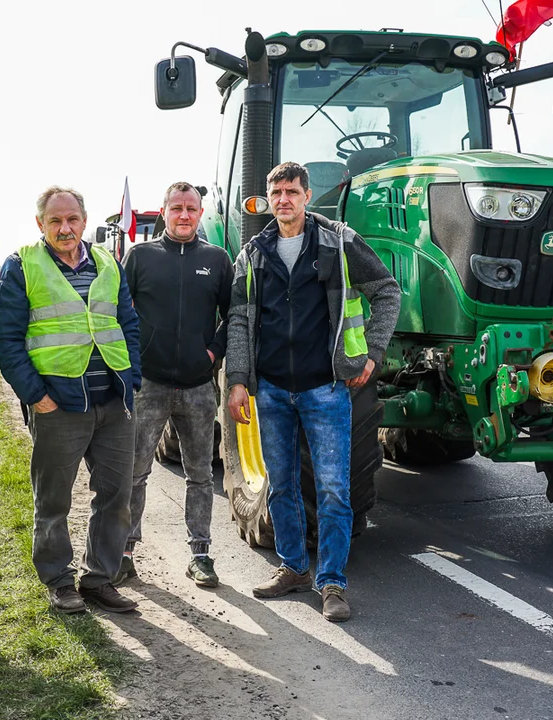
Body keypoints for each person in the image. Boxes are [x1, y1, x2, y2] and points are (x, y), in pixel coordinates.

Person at [225, 162, 401, 622]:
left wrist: (372, 354)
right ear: (268, 199)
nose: (283, 199)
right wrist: (238, 381)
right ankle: (293, 568)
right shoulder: (253, 254)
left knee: (334, 490)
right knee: (281, 486)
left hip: (326, 388)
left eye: (292, 191)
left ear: (307, 196)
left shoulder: (338, 242)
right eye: (276, 192)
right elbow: (241, 321)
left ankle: (332, 583)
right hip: (273, 392)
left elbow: (386, 289)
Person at [0, 186, 141, 614]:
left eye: (72, 219)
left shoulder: (109, 263)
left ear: (84, 219)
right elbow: (7, 338)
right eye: (55, 221)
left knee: (116, 496)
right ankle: (59, 580)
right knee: (53, 500)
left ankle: (99, 578)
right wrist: (36, 397)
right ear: (40, 224)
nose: (65, 228)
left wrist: (134, 379)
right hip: (58, 405)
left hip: (114, 402)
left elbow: (127, 323)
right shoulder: (23, 265)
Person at [117, 181, 232, 588]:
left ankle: (200, 554)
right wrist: (133, 362)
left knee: (200, 475)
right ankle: (125, 551)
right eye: (177, 208)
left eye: (191, 209)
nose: (184, 215)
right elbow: (119, 313)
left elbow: (232, 316)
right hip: (148, 385)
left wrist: (213, 353)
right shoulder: (140, 257)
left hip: (199, 388)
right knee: (135, 472)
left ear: (201, 214)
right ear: (164, 211)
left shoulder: (217, 259)